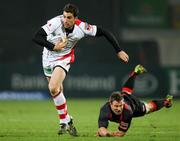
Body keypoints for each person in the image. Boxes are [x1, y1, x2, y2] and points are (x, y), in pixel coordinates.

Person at [32, 3, 129, 136]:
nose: (66, 20)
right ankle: (66, 120)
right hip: (47, 58)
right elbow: (37, 37)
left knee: (53, 88)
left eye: (69, 17)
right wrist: (53, 46)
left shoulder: (82, 27)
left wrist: (119, 50)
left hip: (64, 59)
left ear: (75, 18)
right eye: (65, 17)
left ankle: (63, 121)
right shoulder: (55, 23)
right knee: (57, 91)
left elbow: (104, 32)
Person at [97, 64, 173, 137]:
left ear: (122, 103)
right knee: (125, 92)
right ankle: (135, 73)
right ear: (110, 103)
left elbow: (121, 134)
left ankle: (166, 101)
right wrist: (106, 134)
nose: (119, 108)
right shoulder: (105, 109)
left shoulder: (128, 112)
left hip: (134, 105)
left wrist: (108, 134)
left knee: (148, 108)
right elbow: (102, 129)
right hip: (125, 97)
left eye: (120, 105)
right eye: (116, 106)